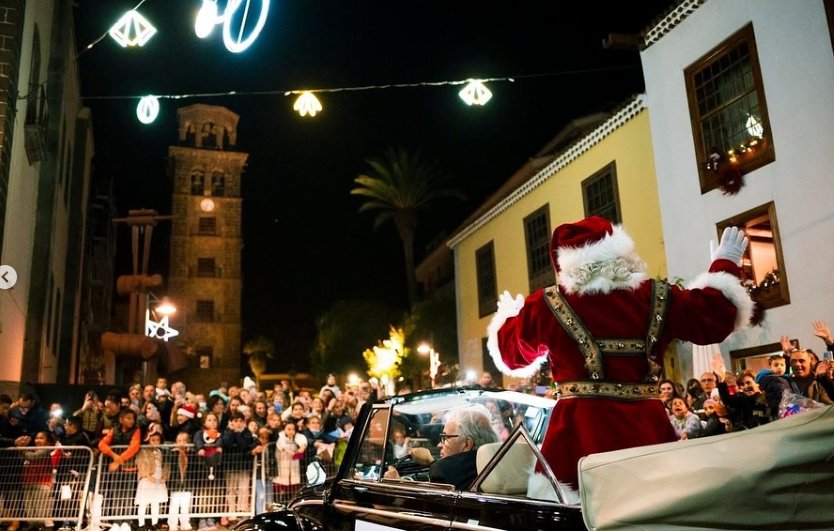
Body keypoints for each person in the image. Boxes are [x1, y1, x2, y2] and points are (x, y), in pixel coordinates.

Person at [488, 218, 753, 499]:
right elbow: (712, 316)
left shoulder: (547, 304)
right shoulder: (659, 295)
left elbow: (510, 355)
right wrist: (725, 265)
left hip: (577, 440)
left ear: (565, 263)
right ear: (620, 251)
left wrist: (511, 317)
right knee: (656, 509)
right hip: (648, 434)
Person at [385, 407, 498, 490]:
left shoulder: (443, 469)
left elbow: (426, 508)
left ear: (467, 444)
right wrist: (432, 462)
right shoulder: (498, 461)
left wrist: (397, 483)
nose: (439, 444)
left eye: (446, 437)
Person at [135, 423, 168, 531]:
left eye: (157, 440)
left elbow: (165, 465)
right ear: (148, 440)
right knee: (144, 502)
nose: (155, 442)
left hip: (158, 479)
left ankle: (155, 523)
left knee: (155, 502)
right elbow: (141, 463)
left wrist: (164, 477)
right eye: (153, 440)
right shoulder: (144, 451)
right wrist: (148, 476)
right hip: (147, 480)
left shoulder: (160, 452)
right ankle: (141, 523)